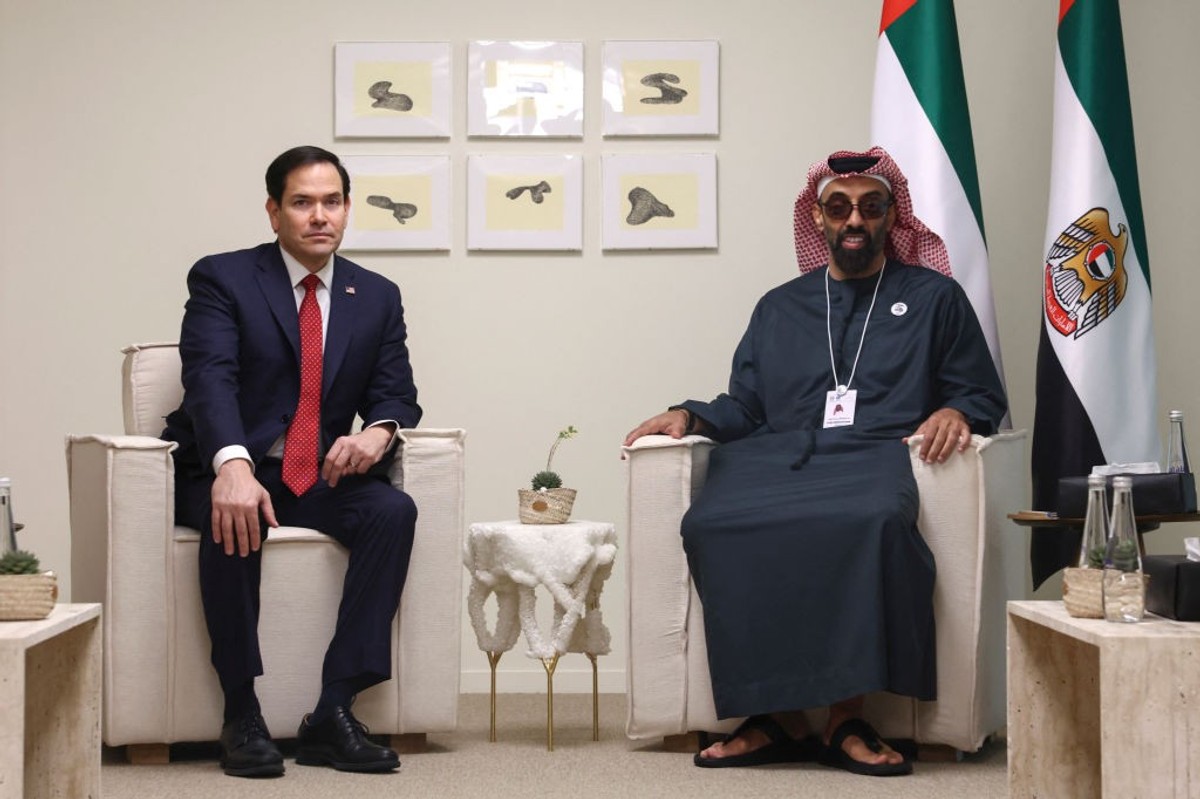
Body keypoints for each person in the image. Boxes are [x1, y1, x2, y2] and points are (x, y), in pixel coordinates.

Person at [624, 147, 1006, 778]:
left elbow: (978, 390)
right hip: (775, 457)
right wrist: (689, 417)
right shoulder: (780, 306)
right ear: (819, 219)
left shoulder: (935, 297)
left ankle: (846, 718)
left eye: (870, 206)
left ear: (891, 217)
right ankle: (773, 716)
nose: (854, 220)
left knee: (870, 523)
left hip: (873, 456)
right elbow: (745, 404)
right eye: (839, 207)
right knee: (712, 525)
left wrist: (956, 412)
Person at [162, 145, 422, 778]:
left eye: (331, 202)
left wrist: (379, 431)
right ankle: (241, 710)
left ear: (347, 209)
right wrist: (232, 463)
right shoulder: (224, 277)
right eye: (302, 203)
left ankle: (333, 711)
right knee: (237, 513)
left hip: (315, 473)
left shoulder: (377, 295)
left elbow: (396, 393)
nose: (318, 217)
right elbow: (210, 379)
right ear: (274, 211)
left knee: (393, 510)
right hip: (228, 465)